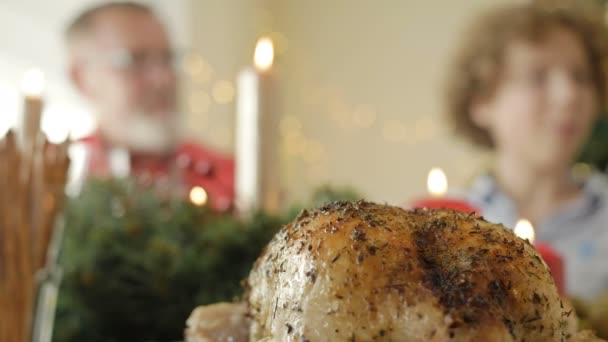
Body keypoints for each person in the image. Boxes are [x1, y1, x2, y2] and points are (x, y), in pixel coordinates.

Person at [445, 2, 608, 299]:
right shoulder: (445, 221)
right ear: (482, 101)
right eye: (537, 76)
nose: (569, 95)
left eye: (581, 77)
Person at [65, 2, 234, 211]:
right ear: (81, 78)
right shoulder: (58, 181)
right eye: (136, 60)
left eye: (167, 58)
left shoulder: (230, 179)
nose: (163, 78)